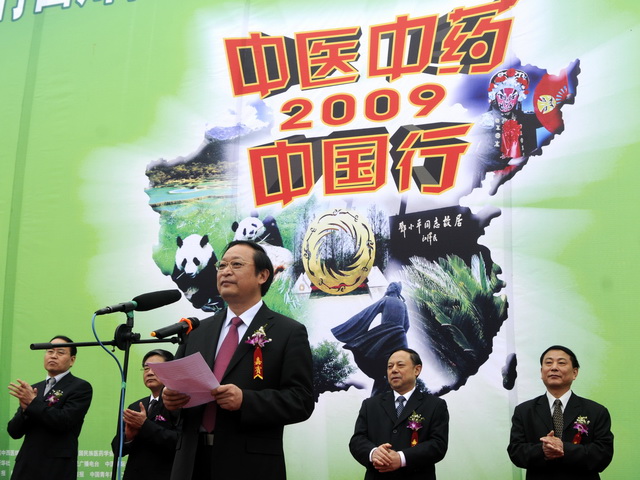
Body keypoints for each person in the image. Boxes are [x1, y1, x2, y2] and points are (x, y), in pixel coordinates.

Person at [163, 240, 314, 480]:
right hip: (190, 463)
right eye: (221, 265)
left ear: (262, 275)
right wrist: (171, 401)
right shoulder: (197, 330)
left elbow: (301, 401)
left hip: (249, 465)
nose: (225, 271)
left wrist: (246, 400)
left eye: (236, 264)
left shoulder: (288, 332)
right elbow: (177, 400)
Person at [507, 345, 614, 479]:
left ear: (575, 373)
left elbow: (603, 454)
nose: (554, 367)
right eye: (548, 363)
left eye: (561, 363)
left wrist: (564, 449)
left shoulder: (596, 411)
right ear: (541, 372)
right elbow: (516, 451)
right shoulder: (524, 411)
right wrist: (543, 450)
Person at [349, 348, 449, 480]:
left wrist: (401, 458)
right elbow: (357, 440)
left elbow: (438, 445)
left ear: (417, 370)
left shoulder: (435, 405)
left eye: (400, 365)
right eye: (390, 366)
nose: (394, 370)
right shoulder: (370, 405)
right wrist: (373, 453)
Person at [7, 335, 93, 480]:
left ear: (72, 360)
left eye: (60, 352)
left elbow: (64, 421)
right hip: (26, 466)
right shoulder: (34, 388)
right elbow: (14, 432)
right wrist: (24, 410)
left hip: (56, 468)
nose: (53, 356)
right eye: (50, 351)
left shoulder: (80, 387)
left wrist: (33, 403)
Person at [332, 281, 410, 396]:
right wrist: (400, 334)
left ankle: (381, 387)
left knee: (368, 354)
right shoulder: (403, 305)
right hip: (401, 338)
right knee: (398, 367)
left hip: (386, 334)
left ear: (392, 289)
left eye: (390, 286)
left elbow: (367, 313)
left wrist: (349, 328)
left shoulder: (386, 300)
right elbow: (407, 325)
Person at [111, 348, 179, 480]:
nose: (150, 373)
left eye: (156, 368)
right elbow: (116, 449)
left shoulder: (179, 404)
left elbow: (180, 442)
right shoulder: (135, 406)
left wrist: (145, 425)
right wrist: (128, 437)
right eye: (146, 368)